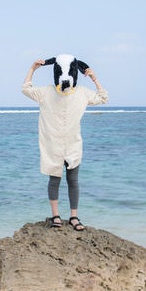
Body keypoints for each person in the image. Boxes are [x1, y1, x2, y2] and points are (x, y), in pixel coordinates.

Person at [22, 54, 108, 231]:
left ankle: (74, 217)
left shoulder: (82, 93)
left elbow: (103, 98)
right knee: (54, 180)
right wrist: (32, 69)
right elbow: (26, 88)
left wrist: (94, 78)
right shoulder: (46, 92)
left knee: (73, 180)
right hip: (52, 144)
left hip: (73, 144)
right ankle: (56, 216)